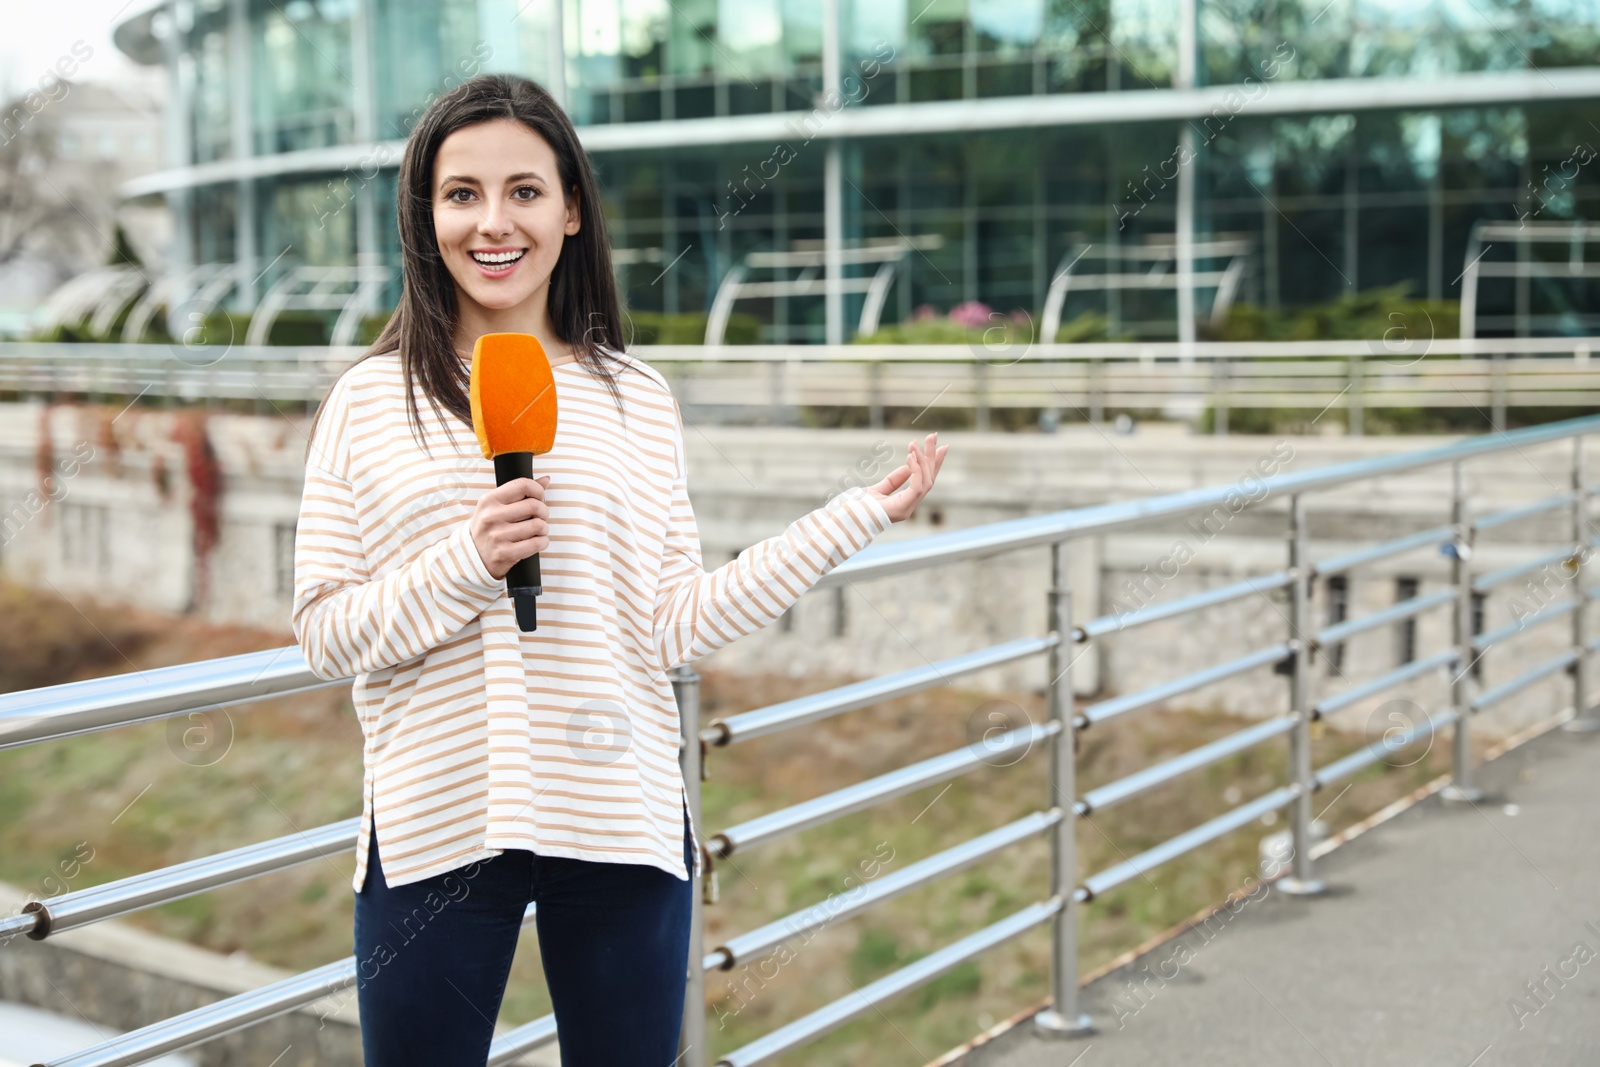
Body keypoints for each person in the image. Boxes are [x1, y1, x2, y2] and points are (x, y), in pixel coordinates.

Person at [290, 73, 948, 1067]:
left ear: (570, 209)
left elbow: (676, 621)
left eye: (523, 190)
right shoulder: (368, 400)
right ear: (425, 218)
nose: (492, 221)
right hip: (431, 824)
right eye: (461, 193)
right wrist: (470, 561)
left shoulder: (634, 394)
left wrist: (855, 516)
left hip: (618, 817)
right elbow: (324, 631)